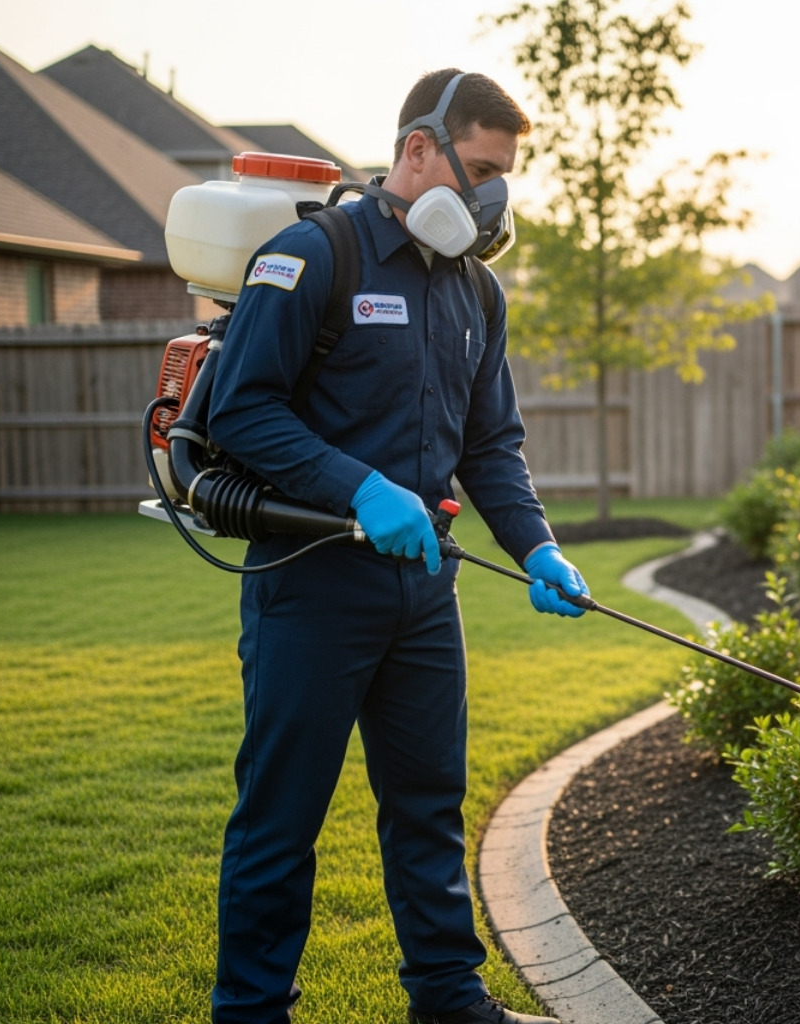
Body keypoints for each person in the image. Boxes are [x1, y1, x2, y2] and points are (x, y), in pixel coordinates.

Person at [205, 68, 585, 1024]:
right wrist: (361, 486)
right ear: (419, 149)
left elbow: (490, 445)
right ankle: (250, 1013)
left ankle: (449, 1002)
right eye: (484, 170)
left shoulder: (477, 292)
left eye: (507, 176)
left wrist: (537, 546)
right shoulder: (313, 256)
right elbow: (243, 412)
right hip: (311, 587)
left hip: (424, 594)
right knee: (280, 820)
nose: (495, 196)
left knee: (426, 807)